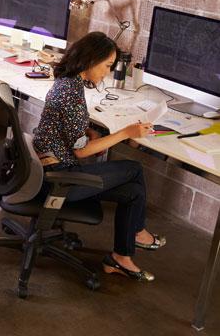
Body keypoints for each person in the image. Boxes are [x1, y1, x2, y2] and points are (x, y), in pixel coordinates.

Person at [32, 31, 165, 282]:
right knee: (134, 169)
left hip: (52, 170)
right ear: (91, 60)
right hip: (59, 180)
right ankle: (138, 232)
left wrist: (90, 132)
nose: (107, 72)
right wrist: (125, 132)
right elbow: (80, 151)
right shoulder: (70, 93)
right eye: (106, 66)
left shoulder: (67, 83)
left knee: (133, 193)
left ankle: (120, 258)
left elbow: (69, 132)